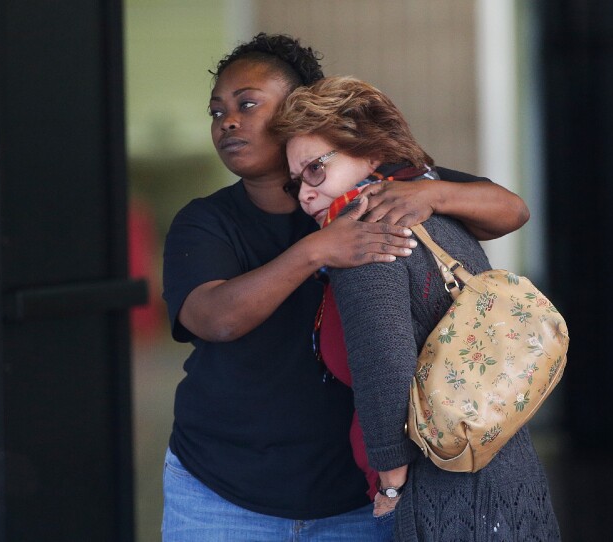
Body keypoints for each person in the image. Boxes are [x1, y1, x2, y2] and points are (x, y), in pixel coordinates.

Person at [161, 33, 531, 541]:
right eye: (216, 111)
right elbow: (213, 318)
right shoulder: (205, 221)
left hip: (359, 499)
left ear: (297, 111)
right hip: (221, 491)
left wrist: (431, 191)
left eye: (247, 104)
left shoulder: (377, 190)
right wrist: (318, 249)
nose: (227, 121)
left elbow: (511, 209)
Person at [271, 75, 561, 541]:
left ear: (368, 151)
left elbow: (383, 362)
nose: (304, 193)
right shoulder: (428, 209)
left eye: (315, 170)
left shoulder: (366, 229)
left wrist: (391, 475)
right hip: (506, 467)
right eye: (294, 184)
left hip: (442, 489)